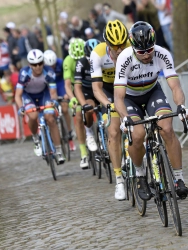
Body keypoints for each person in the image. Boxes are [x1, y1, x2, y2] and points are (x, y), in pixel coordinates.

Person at [114, 21, 188, 201]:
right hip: (129, 98)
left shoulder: (162, 54)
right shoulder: (124, 59)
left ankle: (179, 179)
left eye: (150, 49)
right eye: (141, 52)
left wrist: (180, 107)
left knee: (167, 128)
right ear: (133, 48)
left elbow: (175, 86)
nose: (147, 54)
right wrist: (125, 118)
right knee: (138, 134)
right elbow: (118, 97)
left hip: (151, 93)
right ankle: (141, 175)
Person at [90, 20, 130, 200]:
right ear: (107, 44)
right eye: (115, 46)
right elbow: (97, 88)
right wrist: (107, 104)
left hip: (129, 87)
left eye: (122, 45)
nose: (120, 50)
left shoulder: (131, 47)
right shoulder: (97, 54)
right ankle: (119, 179)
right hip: (108, 90)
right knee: (113, 132)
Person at [15, 49, 65, 163]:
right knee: (32, 116)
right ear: (29, 65)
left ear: (43, 62)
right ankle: (35, 138)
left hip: (44, 95)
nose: (38, 67)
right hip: (28, 96)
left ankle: (58, 151)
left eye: (40, 63)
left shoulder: (49, 72)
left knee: (51, 119)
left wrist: (54, 101)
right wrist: (20, 108)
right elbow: (17, 95)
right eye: (34, 64)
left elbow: (53, 92)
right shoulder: (24, 73)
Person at [63, 38, 98, 169]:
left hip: (90, 85)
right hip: (76, 87)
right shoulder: (68, 61)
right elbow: (67, 84)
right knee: (78, 115)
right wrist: (72, 98)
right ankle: (84, 153)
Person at [43, 50, 76, 151]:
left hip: (60, 83)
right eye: (50, 66)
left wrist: (67, 92)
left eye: (53, 65)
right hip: (49, 84)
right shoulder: (43, 68)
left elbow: (67, 78)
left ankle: (69, 132)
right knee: (50, 108)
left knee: (65, 108)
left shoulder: (61, 62)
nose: (52, 67)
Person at [74, 39, 101, 152]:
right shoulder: (81, 63)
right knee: (89, 109)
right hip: (87, 90)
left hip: (100, 88)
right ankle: (89, 132)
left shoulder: (104, 60)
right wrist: (84, 104)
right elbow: (77, 87)